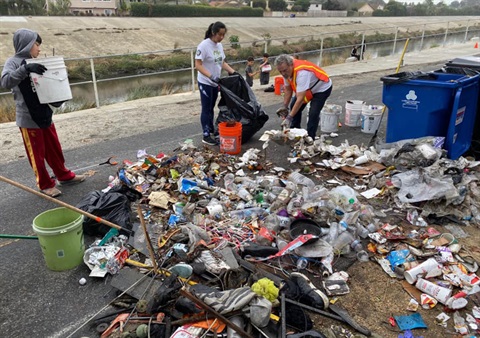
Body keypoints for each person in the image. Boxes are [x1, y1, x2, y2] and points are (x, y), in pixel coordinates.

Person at [1, 28, 85, 198]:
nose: (39, 49)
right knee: (37, 155)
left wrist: (58, 97)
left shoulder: (37, 62)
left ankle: (64, 176)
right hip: (28, 118)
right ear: (26, 44)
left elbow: (48, 85)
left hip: (45, 114)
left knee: (54, 149)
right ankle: (45, 184)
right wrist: (25, 69)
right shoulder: (14, 62)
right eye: (36, 44)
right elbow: (5, 82)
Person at [195, 21, 237, 146]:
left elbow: (222, 62)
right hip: (205, 82)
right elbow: (198, 65)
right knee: (206, 108)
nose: (222, 37)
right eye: (220, 35)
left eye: (223, 35)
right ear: (213, 33)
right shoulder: (203, 46)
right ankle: (206, 134)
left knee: (212, 108)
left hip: (215, 82)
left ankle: (211, 130)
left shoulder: (219, 46)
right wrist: (211, 76)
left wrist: (233, 72)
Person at [275, 54, 333, 139]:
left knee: (313, 113)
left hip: (321, 88)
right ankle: (295, 133)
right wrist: (285, 106)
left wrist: (289, 118)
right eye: (280, 72)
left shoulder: (302, 73)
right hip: (308, 89)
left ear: (291, 65)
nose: (283, 74)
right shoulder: (286, 73)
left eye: (285, 70)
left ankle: (310, 138)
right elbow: (288, 90)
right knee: (293, 106)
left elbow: (300, 99)